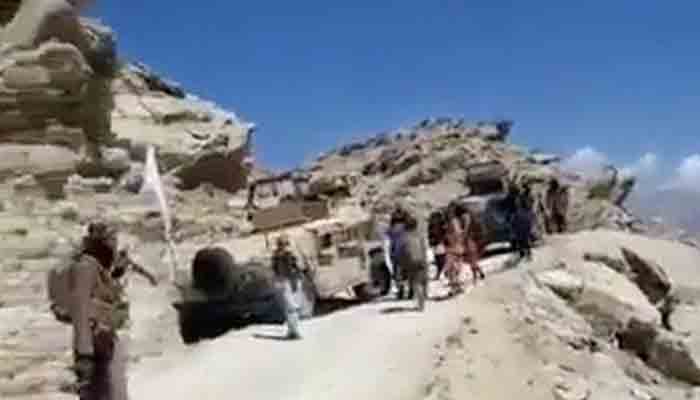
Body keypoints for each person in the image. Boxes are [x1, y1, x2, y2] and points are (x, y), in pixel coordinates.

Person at [51, 220, 130, 400]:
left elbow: (103, 295)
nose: (115, 246)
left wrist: (117, 273)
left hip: (103, 340)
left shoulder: (96, 266)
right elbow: (81, 309)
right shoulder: (85, 267)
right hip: (94, 343)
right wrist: (85, 355)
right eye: (111, 240)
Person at [271, 234, 302, 340]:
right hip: (287, 282)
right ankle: (293, 331)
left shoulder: (277, 255)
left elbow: (275, 270)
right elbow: (294, 268)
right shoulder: (286, 255)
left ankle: (292, 330)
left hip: (284, 282)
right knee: (291, 307)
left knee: (290, 307)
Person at [459, 207, 486, 285]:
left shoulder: (464, 217)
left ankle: (476, 277)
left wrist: (462, 236)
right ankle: (480, 273)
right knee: (472, 260)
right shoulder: (470, 216)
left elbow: (466, 229)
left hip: (469, 240)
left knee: (471, 259)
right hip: (472, 240)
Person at [444, 204, 466, 295]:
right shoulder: (454, 222)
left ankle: (456, 288)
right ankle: (457, 287)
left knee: (453, 269)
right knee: (455, 269)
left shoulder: (453, 222)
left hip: (453, 248)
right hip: (456, 248)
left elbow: (456, 234)